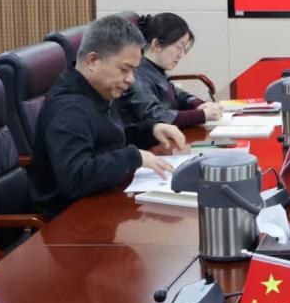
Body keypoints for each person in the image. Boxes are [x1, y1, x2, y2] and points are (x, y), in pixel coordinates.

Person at [29, 14, 187, 218]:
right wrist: (134, 157)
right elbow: (76, 179)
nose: (131, 80)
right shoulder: (69, 109)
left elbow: (108, 139)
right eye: (124, 69)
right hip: (69, 220)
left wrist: (152, 130)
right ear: (93, 60)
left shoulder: (97, 89)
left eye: (134, 71)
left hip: (99, 204)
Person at [117, 12, 222, 129]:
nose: (181, 55)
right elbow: (154, 115)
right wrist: (202, 115)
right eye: (179, 47)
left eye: (184, 49)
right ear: (156, 44)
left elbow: (176, 94)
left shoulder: (155, 69)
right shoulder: (137, 74)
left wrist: (198, 104)